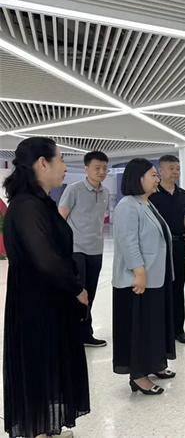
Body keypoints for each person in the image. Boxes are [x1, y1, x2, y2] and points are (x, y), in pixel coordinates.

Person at [2, 137, 90, 438]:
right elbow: (46, 260)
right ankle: (38, 431)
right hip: (37, 301)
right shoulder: (27, 206)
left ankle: (45, 429)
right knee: (38, 363)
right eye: (61, 159)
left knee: (47, 362)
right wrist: (77, 288)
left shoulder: (39, 201)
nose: (65, 167)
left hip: (46, 298)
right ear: (42, 163)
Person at [112, 158, 176, 395]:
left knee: (153, 326)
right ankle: (139, 376)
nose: (157, 179)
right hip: (138, 281)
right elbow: (128, 242)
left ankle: (155, 364)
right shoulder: (127, 205)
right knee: (140, 329)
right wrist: (138, 271)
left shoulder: (146, 203)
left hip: (155, 277)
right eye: (153, 175)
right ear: (138, 178)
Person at [58, 151, 109, 347]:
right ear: (86, 169)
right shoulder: (74, 189)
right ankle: (71, 334)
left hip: (96, 249)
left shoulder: (105, 192)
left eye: (104, 168)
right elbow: (60, 218)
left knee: (91, 293)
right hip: (76, 248)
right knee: (77, 293)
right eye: (97, 168)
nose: (101, 172)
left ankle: (85, 333)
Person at [149, 155, 185, 344]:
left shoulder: (183, 194)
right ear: (160, 171)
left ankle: (179, 329)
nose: (175, 172)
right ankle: (160, 330)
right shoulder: (152, 194)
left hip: (178, 245)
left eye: (177, 168)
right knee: (159, 287)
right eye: (171, 168)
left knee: (178, 287)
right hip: (158, 247)